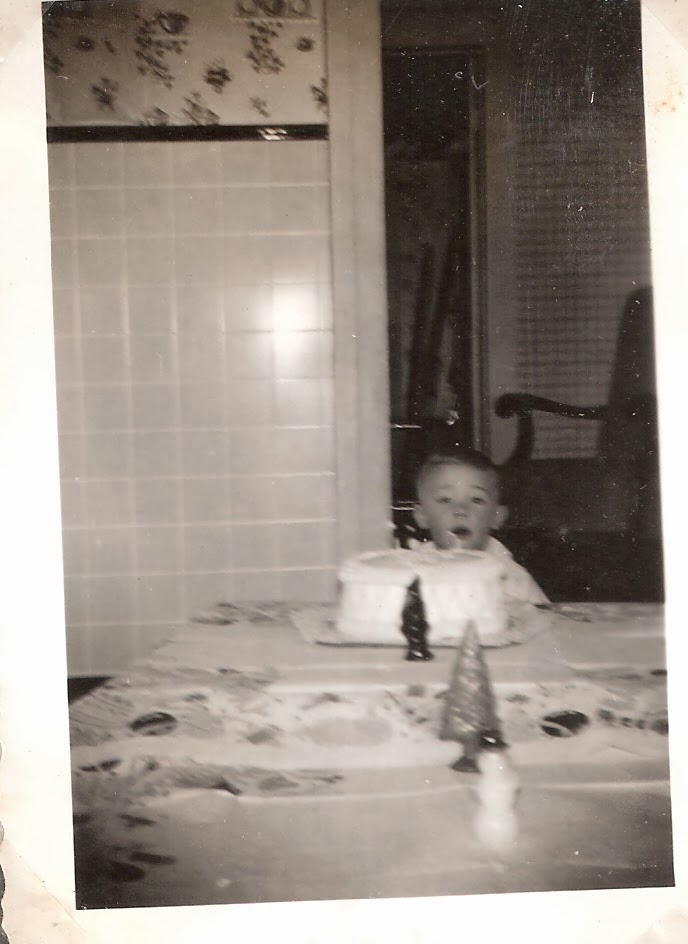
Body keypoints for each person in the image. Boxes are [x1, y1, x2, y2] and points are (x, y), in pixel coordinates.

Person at [412, 446, 549, 608]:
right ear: (422, 516)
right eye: (445, 500)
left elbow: (548, 620)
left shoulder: (513, 579)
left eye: (476, 500)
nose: (461, 510)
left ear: (497, 516)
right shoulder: (411, 573)